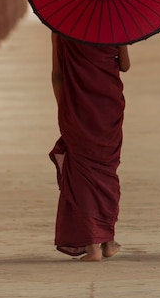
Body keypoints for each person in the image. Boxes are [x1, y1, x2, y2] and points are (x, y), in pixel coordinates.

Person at [49, 32, 130, 261]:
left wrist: (65, 108)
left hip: (75, 108)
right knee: (106, 170)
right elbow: (124, 65)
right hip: (108, 107)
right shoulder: (114, 23)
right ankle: (106, 240)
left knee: (82, 170)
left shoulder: (61, 28)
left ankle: (94, 244)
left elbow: (57, 76)